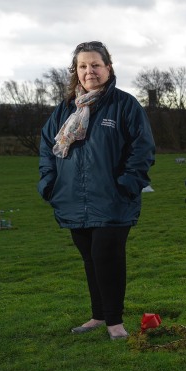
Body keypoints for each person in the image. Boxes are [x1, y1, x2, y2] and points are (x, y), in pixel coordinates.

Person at [38, 41, 155, 339]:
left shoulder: (125, 105)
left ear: (108, 68)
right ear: (75, 72)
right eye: (83, 66)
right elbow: (46, 148)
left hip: (113, 199)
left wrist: (127, 184)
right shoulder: (65, 109)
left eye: (95, 65)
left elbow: (142, 149)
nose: (89, 71)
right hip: (72, 198)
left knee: (108, 255)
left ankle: (115, 322)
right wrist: (49, 184)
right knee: (90, 257)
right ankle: (98, 316)